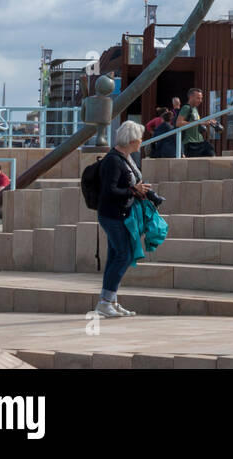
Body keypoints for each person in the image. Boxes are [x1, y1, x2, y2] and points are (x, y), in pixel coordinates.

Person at [95, 121, 152, 318]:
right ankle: (105, 302)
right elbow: (109, 191)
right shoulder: (114, 160)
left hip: (122, 214)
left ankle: (110, 300)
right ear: (132, 140)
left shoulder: (126, 158)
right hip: (112, 215)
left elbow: (129, 184)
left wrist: (141, 190)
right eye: (140, 138)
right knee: (124, 255)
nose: (141, 142)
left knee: (116, 256)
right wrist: (132, 190)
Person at [176, 88, 215, 158]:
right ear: (191, 97)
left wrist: (206, 122)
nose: (200, 101)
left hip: (199, 141)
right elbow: (178, 123)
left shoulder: (195, 109)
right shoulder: (186, 108)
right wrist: (198, 123)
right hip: (190, 143)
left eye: (201, 98)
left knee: (210, 151)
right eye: (198, 98)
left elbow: (196, 122)